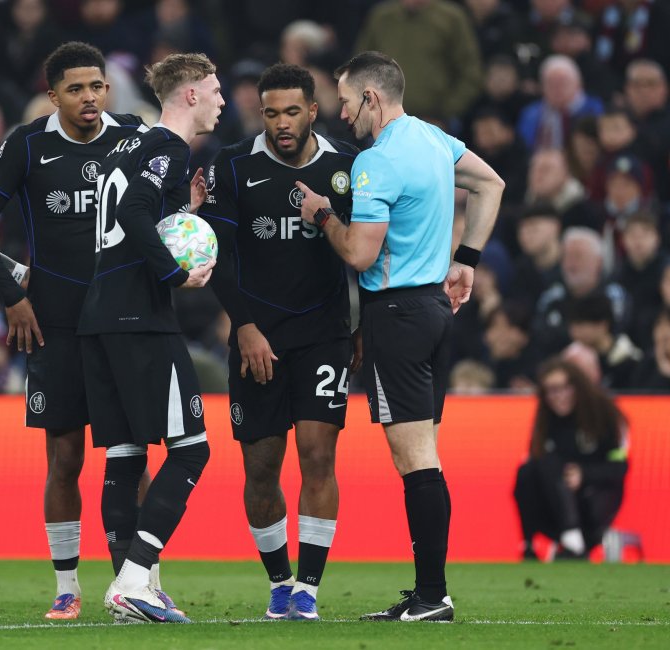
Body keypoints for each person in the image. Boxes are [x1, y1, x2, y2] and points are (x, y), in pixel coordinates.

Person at [0, 41, 163, 621]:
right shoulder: (27, 144)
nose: (90, 97)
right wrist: (14, 294)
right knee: (65, 457)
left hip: (124, 322)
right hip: (57, 326)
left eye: (97, 86)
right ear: (53, 96)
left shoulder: (134, 138)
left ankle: (140, 580)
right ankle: (67, 586)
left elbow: (166, 210)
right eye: (76, 88)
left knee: (133, 456)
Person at [297, 51, 504, 622]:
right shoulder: (436, 140)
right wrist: (467, 259)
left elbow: (361, 252)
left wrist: (321, 215)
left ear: (371, 98)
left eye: (344, 102)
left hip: (399, 316)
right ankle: (428, 591)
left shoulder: (376, 161)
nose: (341, 115)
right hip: (435, 310)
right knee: (426, 454)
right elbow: (492, 184)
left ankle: (433, 596)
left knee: (415, 460)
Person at [200, 62, 358, 621]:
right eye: (271, 113)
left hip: (324, 336)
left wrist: (358, 327)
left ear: (313, 110)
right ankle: (279, 582)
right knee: (261, 469)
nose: (281, 123)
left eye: (292, 111)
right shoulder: (234, 166)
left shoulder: (346, 166)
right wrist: (244, 326)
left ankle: (309, 591)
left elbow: (366, 251)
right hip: (257, 340)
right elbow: (214, 255)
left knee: (318, 457)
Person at [77, 52, 222, 624]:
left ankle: (126, 589)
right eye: (214, 90)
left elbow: (131, 211)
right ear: (188, 95)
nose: (220, 99)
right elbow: (137, 210)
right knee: (192, 448)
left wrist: (181, 210)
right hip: (140, 317)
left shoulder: (126, 145)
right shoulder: (168, 147)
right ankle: (136, 579)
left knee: (126, 453)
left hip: (99, 314)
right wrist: (175, 272)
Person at [514, 358, 629, 560]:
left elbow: (619, 467)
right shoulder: (545, 419)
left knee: (553, 468)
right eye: (550, 390)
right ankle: (530, 545)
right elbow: (536, 465)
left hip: (595, 501)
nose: (557, 397)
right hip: (554, 507)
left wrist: (584, 474)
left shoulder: (605, 413)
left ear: (578, 387)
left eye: (563, 388)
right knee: (528, 470)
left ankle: (573, 540)